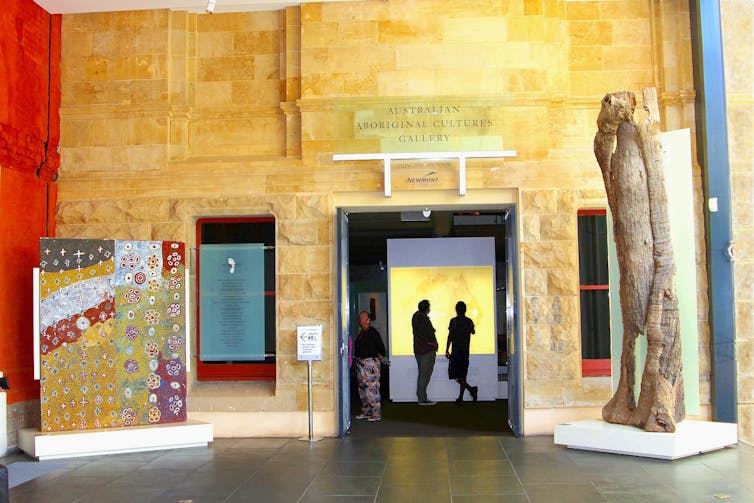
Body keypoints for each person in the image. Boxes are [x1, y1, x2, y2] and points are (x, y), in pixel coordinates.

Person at [354, 310, 386, 422]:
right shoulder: (362, 333)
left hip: (370, 365)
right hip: (361, 365)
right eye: (360, 317)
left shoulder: (373, 333)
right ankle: (366, 411)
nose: (360, 319)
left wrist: (378, 357)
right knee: (363, 389)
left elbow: (381, 348)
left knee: (372, 389)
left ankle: (376, 413)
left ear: (368, 320)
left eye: (362, 317)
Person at [445, 301, 478, 405]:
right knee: (462, 375)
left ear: (456, 309)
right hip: (465, 351)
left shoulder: (453, 321)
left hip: (456, 351)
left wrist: (447, 349)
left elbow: (450, 336)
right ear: (465, 310)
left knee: (455, 374)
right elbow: (473, 331)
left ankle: (462, 396)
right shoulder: (469, 321)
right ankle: (469, 391)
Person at [412, 299, 438, 405]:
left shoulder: (415, 316)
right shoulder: (424, 319)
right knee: (425, 375)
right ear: (427, 309)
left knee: (421, 374)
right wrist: (435, 343)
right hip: (427, 350)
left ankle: (421, 397)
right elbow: (430, 335)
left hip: (418, 349)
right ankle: (422, 399)